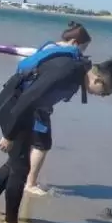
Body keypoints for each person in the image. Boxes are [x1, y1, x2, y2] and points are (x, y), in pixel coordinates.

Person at [0, 42, 112, 223]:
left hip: (24, 109)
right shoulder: (68, 71)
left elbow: (37, 98)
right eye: (105, 92)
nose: (102, 97)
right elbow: (29, 96)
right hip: (14, 106)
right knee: (21, 167)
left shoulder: (79, 69)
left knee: (17, 161)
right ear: (99, 80)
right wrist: (10, 134)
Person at [22, 22, 92, 196]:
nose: (82, 52)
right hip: (38, 103)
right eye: (84, 48)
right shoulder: (70, 56)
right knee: (42, 144)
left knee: (31, 141)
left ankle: (25, 178)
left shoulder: (49, 47)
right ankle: (30, 183)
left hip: (24, 97)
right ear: (75, 42)